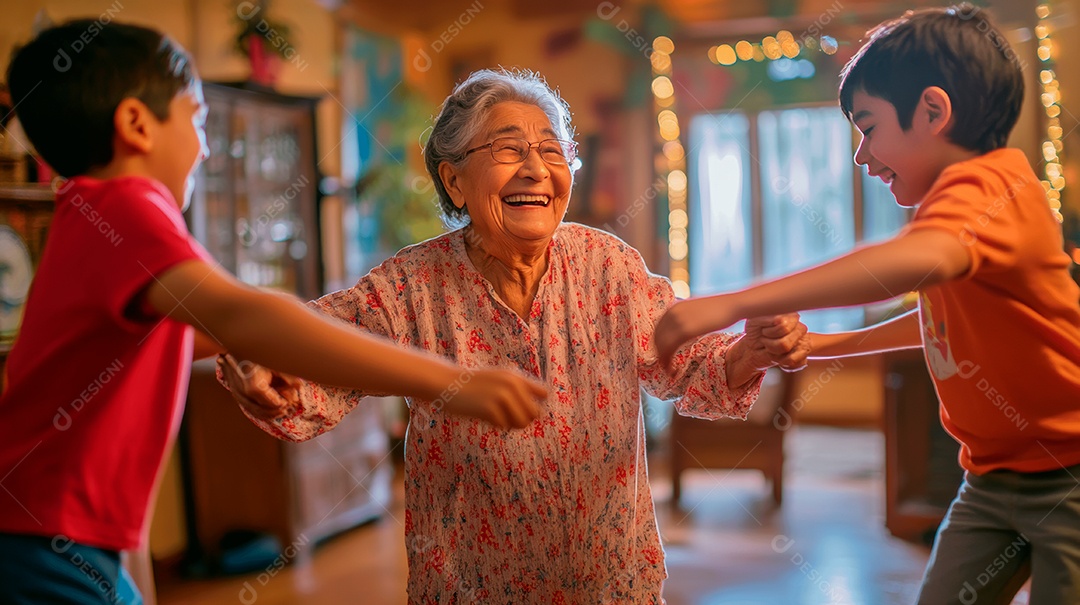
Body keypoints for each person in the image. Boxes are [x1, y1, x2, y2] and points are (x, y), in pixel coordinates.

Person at [0, 21, 547, 605]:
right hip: (40, 542)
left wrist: (254, 349)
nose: (206, 147)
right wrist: (449, 381)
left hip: (55, 537)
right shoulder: (125, 207)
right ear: (137, 124)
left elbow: (203, 336)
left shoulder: (85, 216)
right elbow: (242, 313)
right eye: (198, 120)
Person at [218, 68, 811, 604]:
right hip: (469, 587)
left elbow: (688, 366)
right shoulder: (410, 286)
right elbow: (315, 349)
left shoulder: (610, 266)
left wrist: (746, 352)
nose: (536, 169)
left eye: (552, 150)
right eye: (508, 150)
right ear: (454, 182)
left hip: (612, 584)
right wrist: (266, 366)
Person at [655, 5, 1080, 604]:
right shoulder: (956, 206)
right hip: (989, 478)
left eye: (869, 127)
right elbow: (940, 323)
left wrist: (731, 303)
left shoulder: (993, 186)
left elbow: (909, 263)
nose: (860, 155)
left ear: (933, 111)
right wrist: (826, 347)